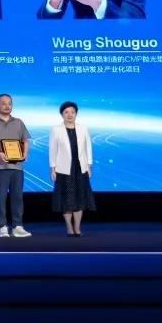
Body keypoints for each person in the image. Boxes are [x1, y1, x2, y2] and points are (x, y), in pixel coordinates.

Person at [0, 94, 32, 238]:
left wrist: (25, 153)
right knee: (1, 196)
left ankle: (18, 226)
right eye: (3, 103)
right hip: (0, 166)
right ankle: (2, 226)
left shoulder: (18, 122)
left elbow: (25, 140)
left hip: (17, 166)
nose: (7, 106)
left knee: (17, 196)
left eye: (9, 103)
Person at [49, 101, 95, 236]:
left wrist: (89, 166)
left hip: (80, 168)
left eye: (72, 112)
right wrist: (53, 168)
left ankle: (77, 227)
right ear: (62, 114)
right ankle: (69, 226)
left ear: (76, 114)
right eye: (66, 112)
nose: (70, 115)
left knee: (80, 198)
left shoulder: (83, 128)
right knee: (67, 199)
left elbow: (88, 148)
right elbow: (53, 150)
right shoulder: (56, 130)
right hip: (64, 168)